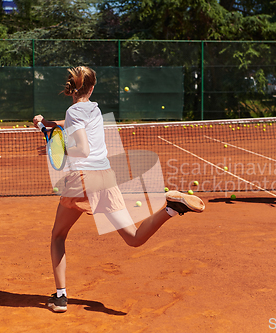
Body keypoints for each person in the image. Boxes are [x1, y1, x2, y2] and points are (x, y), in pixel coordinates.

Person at [33, 66, 205, 313]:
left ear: (73, 89)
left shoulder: (73, 111)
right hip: (105, 178)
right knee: (133, 239)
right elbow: (73, 122)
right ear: (91, 89)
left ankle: (60, 298)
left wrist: (56, 149)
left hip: (82, 180)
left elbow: (81, 148)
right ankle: (170, 209)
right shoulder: (95, 108)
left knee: (58, 236)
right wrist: (48, 123)